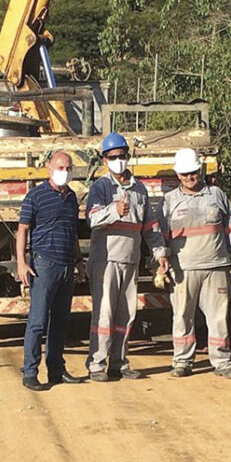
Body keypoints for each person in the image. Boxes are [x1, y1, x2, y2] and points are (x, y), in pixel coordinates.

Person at [85, 132, 170, 381]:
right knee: (104, 314)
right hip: (106, 260)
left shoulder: (139, 189)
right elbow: (91, 218)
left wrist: (159, 252)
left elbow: (150, 227)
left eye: (122, 156)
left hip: (130, 260)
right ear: (104, 160)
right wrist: (114, 210)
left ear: (128, 156)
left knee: (126, 315)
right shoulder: (101, 188)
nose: (118, 161)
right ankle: (97, 364)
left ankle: (119, 362)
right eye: (112, 157)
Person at [155, 148, 231, 378]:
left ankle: (222, 362)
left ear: (200, 170)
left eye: (193, 172)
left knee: (218, 317)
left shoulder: (217, 195)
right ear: (178, 175)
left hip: (216, 267)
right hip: (183, 269)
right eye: (185, 174)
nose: (190, 177)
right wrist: (161, 259)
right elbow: (159, 235)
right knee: (182, 316)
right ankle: (182, 361)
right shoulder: (169, 201)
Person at [16, 150, 87, 391]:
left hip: (67, 266)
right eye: (59, 168)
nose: (64, 173)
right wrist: (21, 263)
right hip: (44, 265)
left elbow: (73, 232)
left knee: (60, 322)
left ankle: (56, 369)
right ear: (49, 168)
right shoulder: (35, 196)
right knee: (38, 321)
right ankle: (30, 372)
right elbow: (22, 230)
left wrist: (78, 260)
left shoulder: (71, 198)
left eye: (68, 169)